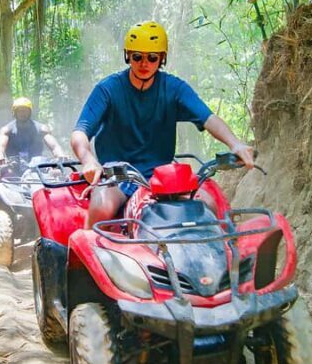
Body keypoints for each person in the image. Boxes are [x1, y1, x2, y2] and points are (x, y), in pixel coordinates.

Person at [71, 20, 255, 227]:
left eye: (152, 57)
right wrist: (88, 160)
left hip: (163, 176)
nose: (144, 63)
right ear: (128, 56)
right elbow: (81, 132)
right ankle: (82, 255)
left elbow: (208, 118)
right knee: (101, 207)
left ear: (161, 59)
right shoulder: (108, 89)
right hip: (118, 175)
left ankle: (222, 256)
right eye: (137, 56)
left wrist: (235, 143)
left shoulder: (174, 88)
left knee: (208, 204)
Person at [0, 97, 66, 167]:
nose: (22, 113)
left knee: (57, 172)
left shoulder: (42, 129)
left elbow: (54, 146)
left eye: (25, 110)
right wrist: (0, 156)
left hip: (38, 166)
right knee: (6, 173)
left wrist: (60, 155)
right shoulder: (7, 130)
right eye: (20, 111)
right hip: (14, 167)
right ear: (15, 113)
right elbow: (0, 146)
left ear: (30, 112)